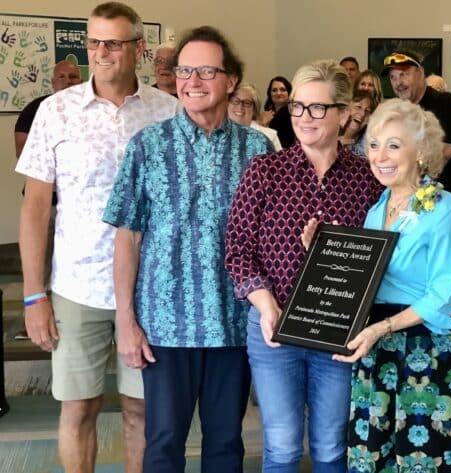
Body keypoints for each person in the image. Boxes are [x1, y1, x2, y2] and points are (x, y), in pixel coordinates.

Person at [16, 3, 179, 472]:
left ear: (138, 48)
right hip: (76, 286)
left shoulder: (166, 111)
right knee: (78, 407)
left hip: (149, 289)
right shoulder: (55, 111)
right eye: (94, 42)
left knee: (141, 410)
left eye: (113, 42)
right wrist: (32, 296)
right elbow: (35, 208)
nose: (101, 52)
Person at [103, 26, 271, 472]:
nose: (191, 81)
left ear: (231, 79)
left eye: (206, 71)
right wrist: (126, 321)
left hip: (234, 322)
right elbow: (127, 237)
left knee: (225, 444)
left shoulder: (258, 149)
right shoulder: (147, 147)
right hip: (164, 325)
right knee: (162, 443)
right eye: (184, 70)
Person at [224, 59, 383, 472]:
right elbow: (237, 249)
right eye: (298, 106)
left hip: (339, 335)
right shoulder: (264, 171)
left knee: (332, 447)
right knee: (281, 448)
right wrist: (265, 306)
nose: (304, 117)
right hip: (274, 329)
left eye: (317, 108)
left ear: (344, 113)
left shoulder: (366, 179)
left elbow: (379, 257)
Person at [302, 98, 451, 473]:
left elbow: (445, 294)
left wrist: (382, 328)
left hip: (428, 350)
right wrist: (321, 254)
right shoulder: (377, 208)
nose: (380, 155)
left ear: (421, 152)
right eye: (375, 144)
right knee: (372, 457)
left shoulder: (445, 207)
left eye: (394, 145)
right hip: (376, 349)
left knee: (426, 459)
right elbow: (363, 279)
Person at [12, 59, 82, 341]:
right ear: (53, 81)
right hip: (47, 202)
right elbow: (23, 152)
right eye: (62, 77)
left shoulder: (89, 109)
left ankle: (71, 321)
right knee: (40, 262)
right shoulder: (37, 109)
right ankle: (36, 317)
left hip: (79, 205)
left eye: (74, 76)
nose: (68, 81)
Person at [383, 50, 451, 192]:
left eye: (404, 74)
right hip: (407, 194)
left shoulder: (446, 103)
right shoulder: (397, 112)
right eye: (393, 77)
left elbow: (447, 150)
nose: (399, 83)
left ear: (421, 73)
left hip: (443, 197)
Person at [229, 82, 282, 150]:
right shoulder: (214, 134)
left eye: (247, 103)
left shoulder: (270, 136)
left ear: (254, 109)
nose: (240, 106)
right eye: (235, 101)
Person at [339, 88, 376, 158]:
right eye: (358, 107)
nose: (362, 114)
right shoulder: (328, 134)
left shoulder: (368, 147)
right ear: (345, 108)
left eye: (367, 111)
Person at [262, 75, 296, 148]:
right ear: (270, 94)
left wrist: (264, 125)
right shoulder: (270, 113)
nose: (278, 93)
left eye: (283, 89)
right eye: (274, 90)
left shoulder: (290, 112)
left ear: (289, 92)